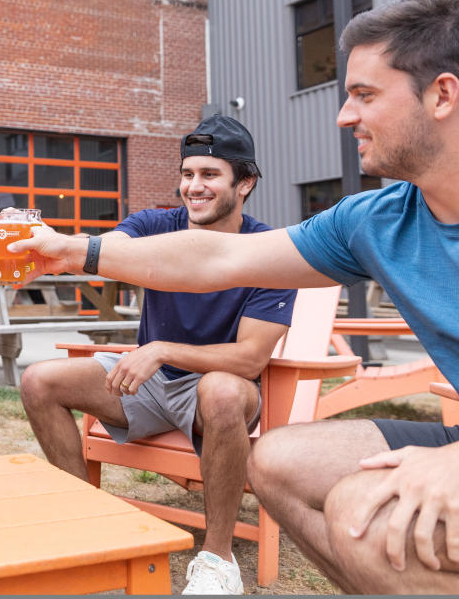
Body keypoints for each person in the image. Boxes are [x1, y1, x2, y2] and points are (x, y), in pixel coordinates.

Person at [14, 0, 459, 595]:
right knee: (281, 462)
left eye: (365, 95)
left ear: (443, 94)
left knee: (363, 515)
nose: (344, 116)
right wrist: (77, 250)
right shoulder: (379, 220)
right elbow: (219, 257)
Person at [19, 115, 295, 595]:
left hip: (213, 390)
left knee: (226, 392)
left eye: (210, 175)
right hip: (149, 385)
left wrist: (162, 348)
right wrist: (62, 247)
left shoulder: (269, 251)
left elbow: (250, 360)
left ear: (244, 183)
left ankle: (217, 558)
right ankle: (91, 526)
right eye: (188, 174)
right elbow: (109, 248)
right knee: (39, 379)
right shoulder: (155, 224)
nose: (194, 186)